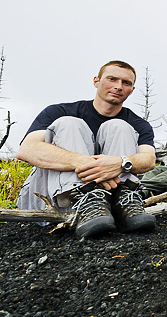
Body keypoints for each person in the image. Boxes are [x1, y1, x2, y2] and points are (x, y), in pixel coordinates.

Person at [16, 60, 157, 238]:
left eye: (126, 83)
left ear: (132, 90)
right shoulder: (59, 111)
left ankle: (124, 203)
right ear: (96, 81)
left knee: (119, 127)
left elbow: (149, 159)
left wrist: (121, 163)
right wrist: (90, 164)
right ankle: (84, 199)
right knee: (69, 124)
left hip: (106, 208)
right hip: (49, 199)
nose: (118, 86)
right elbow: (27, 150)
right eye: (112, 79)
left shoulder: (137, 124)